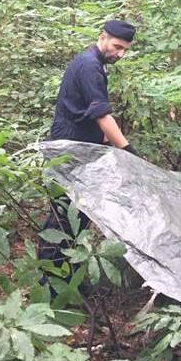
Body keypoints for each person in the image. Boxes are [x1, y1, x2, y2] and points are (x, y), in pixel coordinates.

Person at [41, 19, 137, 280]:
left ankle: (67, 277)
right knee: (64, 214)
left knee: (78, 214)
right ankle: (49, 282)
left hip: (81, 147)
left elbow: (87, 111)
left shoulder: (95, 64)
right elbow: (101, 114)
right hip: (70, 148)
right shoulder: (90, 66)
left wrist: (104, 142)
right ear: (102, 37)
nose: (120, 54)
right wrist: (128, 151)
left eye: (124, 49)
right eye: (117, 46)